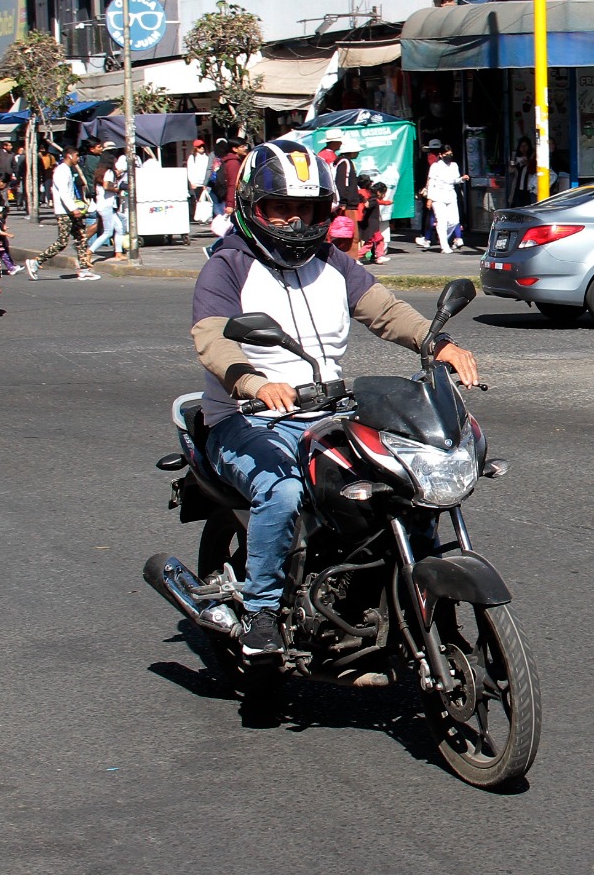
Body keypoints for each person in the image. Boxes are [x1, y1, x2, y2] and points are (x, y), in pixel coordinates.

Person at [190, 138, 479, 655]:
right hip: (248, 417)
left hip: (326, 412)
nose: (296, 223)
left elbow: (385, 311)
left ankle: (379, 588)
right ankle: (260, 615)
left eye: (308, 210)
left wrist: (438, 344)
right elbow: (213, 340)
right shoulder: (228, 265)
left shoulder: (333, 263)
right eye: (280, 209)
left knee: (400, 480)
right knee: (281, 492)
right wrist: (254, 383)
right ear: (253, 207)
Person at [26, 147, 99, 282]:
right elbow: (64, 192)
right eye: (76, 155)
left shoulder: (67, 170)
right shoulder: (61, 170)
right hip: (64, 212)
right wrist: (73, 208)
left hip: (70, 211)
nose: (78, 158)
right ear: (69, 156)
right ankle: (36, 262)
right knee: (62, 242)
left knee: (82, 237)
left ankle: (84, 269)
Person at [418, 140, 467, 253]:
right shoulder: (435, 166)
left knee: (454, 220)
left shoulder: (454, 165)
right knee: (441, 220)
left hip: (450, 194)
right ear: (440, 155)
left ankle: (443, 238)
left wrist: (462, 179)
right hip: (437, 195)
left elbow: (455, 180)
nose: (449, 157)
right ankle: (444, 245)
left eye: (450, 154)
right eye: (446, 155)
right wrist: (429, 198)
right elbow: (430, 182)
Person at [333, 134, 364, 224]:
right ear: (352, 151)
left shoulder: (343, 162)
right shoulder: (345, 162)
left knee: (348, 233)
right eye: (357, 151)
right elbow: (342, 182)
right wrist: (343, 202)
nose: (358, 153)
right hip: (348, 205)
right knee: (350, 233)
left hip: (348, 204)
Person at [360, 181, 391, 264]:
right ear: (378, 192)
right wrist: (366, 203)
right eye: (383, 193)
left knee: (380, 240)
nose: (384, 196)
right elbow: (368, 205)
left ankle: (379, 256)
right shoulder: (373, 201)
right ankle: (357, 256)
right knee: (369, 244)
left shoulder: (373, 200)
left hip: (373, 227)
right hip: (372, 227)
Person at [507, 138, 537, 207]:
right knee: (516, 207)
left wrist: (528, 163)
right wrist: (513, 163)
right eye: (521, 146)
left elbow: (533, 171)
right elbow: (510, 171)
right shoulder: (517, 158)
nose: (523, 148)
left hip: (528, 189)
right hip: (517, 188)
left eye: (525, 146)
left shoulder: (532, 158)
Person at [186, 138, 210, 217]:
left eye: (203, 146)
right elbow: (190, 170)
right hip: (197, 183)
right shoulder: (192, 157)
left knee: (206, 200)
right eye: (200, 146)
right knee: (199, 200)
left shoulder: (207, 157)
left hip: (205, 182)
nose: (202, 148)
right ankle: (200, 216)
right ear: (196, 148)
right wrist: (192, 182)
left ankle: (206, 216)